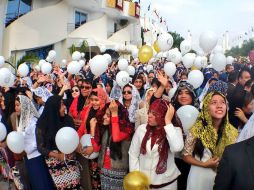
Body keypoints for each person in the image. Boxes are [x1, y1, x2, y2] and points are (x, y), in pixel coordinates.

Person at [182, 91, 238, 190]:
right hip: (199, 176)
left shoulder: (232, 132)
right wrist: (204, 164)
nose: (219, 106)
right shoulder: (197, 129)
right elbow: (186, 156)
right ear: (206, 107)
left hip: (222, 178)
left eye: (222, 102)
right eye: (214, 102)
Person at [129, 99, 184, 190]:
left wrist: (167, 122)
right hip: (144, 184)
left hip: (167, 185)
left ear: (164, 115)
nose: (149, 115)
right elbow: (133, 154)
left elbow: (177, 147)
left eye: (155, 114)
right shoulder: (141, 129)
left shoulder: (174, 130)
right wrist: (136, 178)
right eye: (149, 111)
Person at [36, 95, 82, 190]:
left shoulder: (68, 120)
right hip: (54, 161)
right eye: (61, 105)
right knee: (63, 187)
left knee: (75, 185)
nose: (64, 107)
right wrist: (57, 156)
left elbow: (74, 137)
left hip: (70, 159)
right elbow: (40, 147)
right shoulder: (42, 123)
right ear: (54, 108)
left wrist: (76, 147)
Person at [91, 100, 134, 189]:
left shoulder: (126, 129)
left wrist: (114, 113)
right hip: (104, 171)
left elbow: (116, 137)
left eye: (108, 115)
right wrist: (92, 129)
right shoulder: (105, 129)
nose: (104, 117)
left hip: (119, 172)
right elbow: (95, 148)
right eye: (104, 114)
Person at [15, 95, 55, 190]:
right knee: (36, 184)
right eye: (15, 105)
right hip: (28, 158)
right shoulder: (22, 121)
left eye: (18, 105)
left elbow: (37, 142)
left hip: (36, 157)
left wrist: (25, 149)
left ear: (24, 106)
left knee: (42, 184)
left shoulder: (33, 121)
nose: (16, 108)